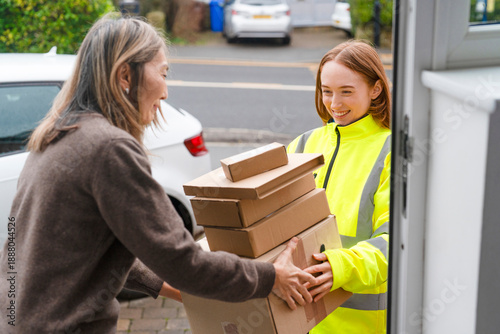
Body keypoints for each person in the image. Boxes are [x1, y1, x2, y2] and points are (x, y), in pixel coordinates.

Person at [0, 14, 316, 334]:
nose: (165, 93)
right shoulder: (109, 148)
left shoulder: (56, 133)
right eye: (163, 73)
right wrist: (272, 276)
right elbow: (183, 260)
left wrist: (166, 286)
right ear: (126, 75)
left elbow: (89, 247)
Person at [288, 40, 391, 333]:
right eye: (327, 91)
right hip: (298, 319)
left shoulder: (390, 152)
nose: (334, 104)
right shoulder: (304, 144)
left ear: (375, 89)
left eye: (347, 91)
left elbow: (395, 242)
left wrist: (340, 267)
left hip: (360, 326)